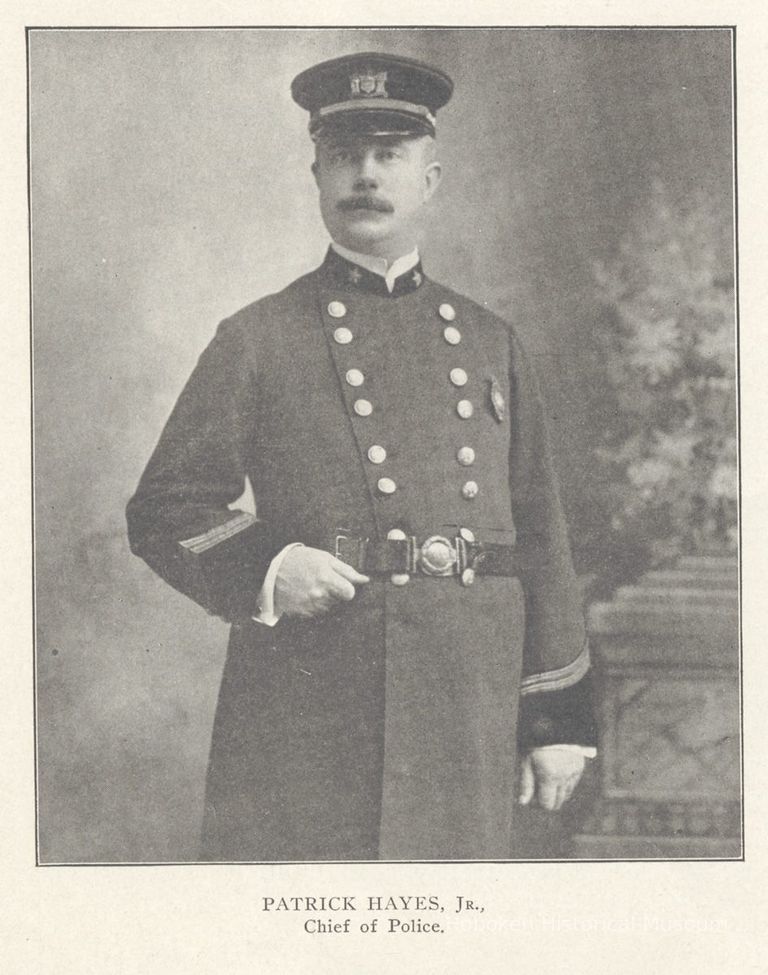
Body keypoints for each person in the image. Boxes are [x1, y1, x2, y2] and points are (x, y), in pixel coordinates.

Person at [126, 51, 597, 861]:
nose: (366, 175)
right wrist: (272, 567)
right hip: (311, 697)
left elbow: (539, 534)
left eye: (389, 155)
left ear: (431, 177)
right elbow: (165, 507)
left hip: (465, 701)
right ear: (316, 175)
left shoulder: (490, 342)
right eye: (345, 156)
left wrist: (555, 718)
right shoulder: (259, 337)